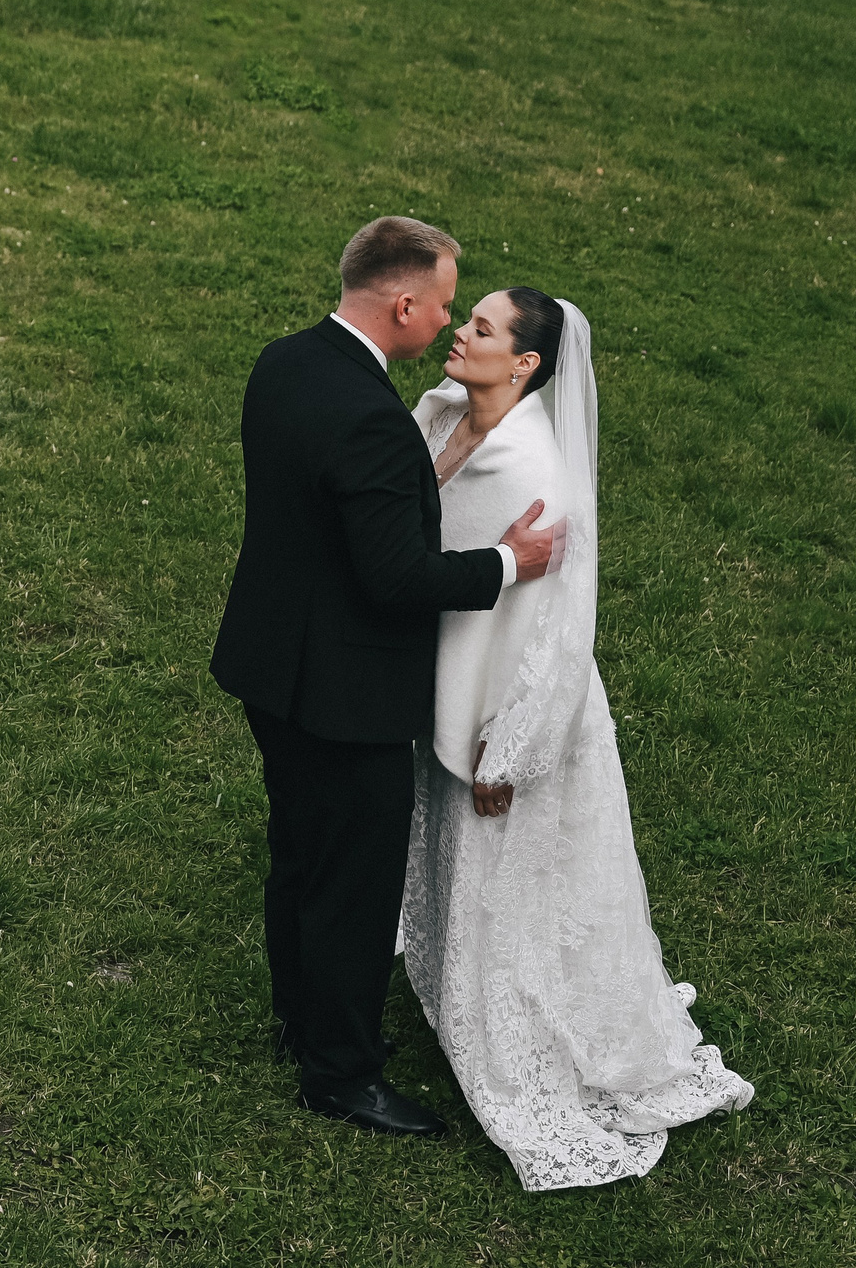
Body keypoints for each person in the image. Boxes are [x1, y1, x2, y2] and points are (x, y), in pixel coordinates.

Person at [210, 218, 561, 1136]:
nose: (448, 319)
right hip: (342, 694)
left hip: (267, 660)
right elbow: (398, 577)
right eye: (445, 303)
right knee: (353, 883)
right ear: (403, 304)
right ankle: (342, 1073)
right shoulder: (369, 413)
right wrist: (506, 563)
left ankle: (304, 1023)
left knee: (299, 852)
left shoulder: (285, 361)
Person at [399, 287, 753, 1190]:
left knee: (517, 897)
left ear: (524, 363)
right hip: (444, 683)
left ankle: (532, 1034)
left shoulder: (538, 475)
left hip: (506, 711)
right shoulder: (441, 412)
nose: (458, 333)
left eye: (480, 328)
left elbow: (557, 637)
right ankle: (457, 996)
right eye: (465, 318)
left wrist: (506, 751)